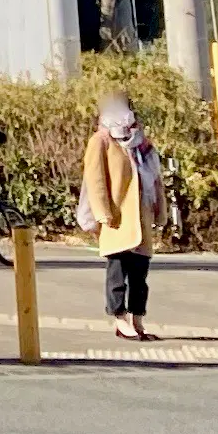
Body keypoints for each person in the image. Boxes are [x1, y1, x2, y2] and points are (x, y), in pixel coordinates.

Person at [80, 91, 166, 342]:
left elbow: (156, 179)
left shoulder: (142, 142)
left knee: (140, 274)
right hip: (116, 217)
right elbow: (95, 179)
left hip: (142, 215)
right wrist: (102, 212)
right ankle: (120, 319)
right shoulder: (101, 140)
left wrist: (160, 211)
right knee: (117, 271)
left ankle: (138, 320)